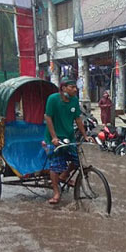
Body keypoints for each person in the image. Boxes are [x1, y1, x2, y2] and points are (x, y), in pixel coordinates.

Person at [44, 77, 91, 205]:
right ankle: (56, 192)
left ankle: (64, 176)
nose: (75, 90)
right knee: (55, 165)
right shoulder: (53, 99)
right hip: (54, 137)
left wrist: (85, 135)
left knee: (77, 160)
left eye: (76, 87)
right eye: (72, 87)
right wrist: (53, 137)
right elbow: (48, 118)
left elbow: (78, 119)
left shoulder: (74, 100)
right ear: (64, 88)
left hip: (69, 136)